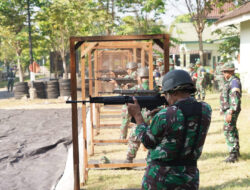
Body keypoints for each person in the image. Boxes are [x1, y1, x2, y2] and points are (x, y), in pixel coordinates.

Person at [127, 69, 212, 189]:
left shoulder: (165, 115)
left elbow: (148, 141)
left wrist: (138, 116)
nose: (166, 98)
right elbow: (184, 118)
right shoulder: (205, 109)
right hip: (189, 178)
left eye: (166, 94)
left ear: (174, 92)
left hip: (162, 178)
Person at [124, 67, 155, 163]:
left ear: (140, 77)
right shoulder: (156, 88)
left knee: (134, 136)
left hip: (140, 117)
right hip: (154, 117)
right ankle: (151, 157)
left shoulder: (135, 89)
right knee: (154, 137)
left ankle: (129, 158)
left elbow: (127, 110)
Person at [220, 62, 242, 163]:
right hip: (229, 110)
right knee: (232, 129)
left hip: (231, 110)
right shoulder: (230, 81)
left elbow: (234, 97)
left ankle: (233, 154)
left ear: (230, 71)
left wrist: (230, 112)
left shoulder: (234, 82)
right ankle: (236, 151)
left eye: (225, 72)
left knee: (228, 129)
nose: (224, 74)